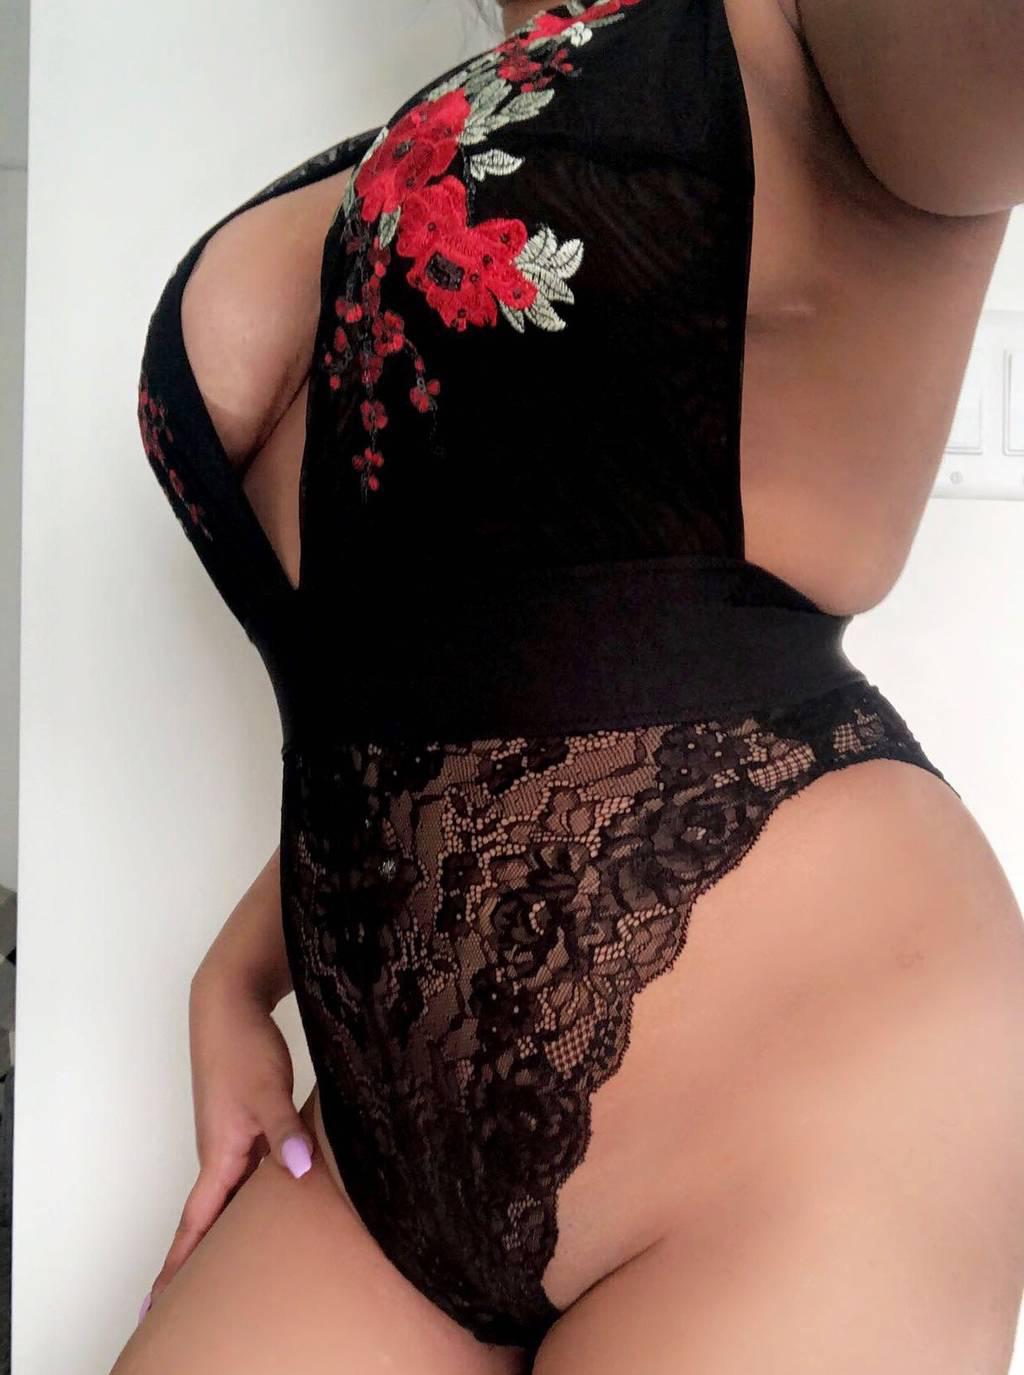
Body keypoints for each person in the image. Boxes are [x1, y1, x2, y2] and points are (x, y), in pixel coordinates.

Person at [117, 0, 1024, 1370]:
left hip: (804, 1090)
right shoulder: (443, 108)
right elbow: (454, 674)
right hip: (378, 1138)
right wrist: (241, 969)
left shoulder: (803, 32)